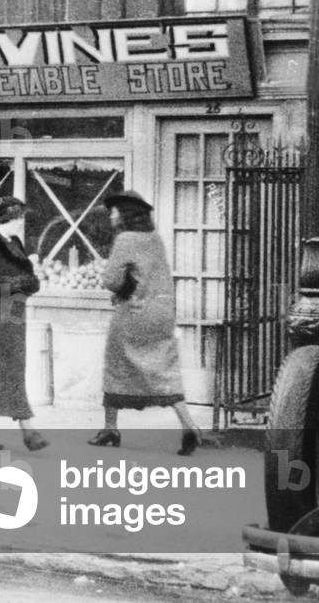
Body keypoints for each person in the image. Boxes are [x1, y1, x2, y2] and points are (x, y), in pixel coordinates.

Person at [90, 190, 202, 456]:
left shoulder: (125, 239)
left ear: (124, 214)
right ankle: (189, 425)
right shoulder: (155, 238)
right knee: (164, 370)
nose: (111, 216)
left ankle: (110, 428)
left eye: (114, 211)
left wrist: (121, 285)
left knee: (116, 364)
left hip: (133, 312)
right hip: (161, 313)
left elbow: (111, 280)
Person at [0, 196, 48, 452]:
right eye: (16, 218)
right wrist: (22, 283)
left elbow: (26, 277)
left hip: (11, 315)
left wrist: (30, 282)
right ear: (0, 220)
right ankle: (28, 431)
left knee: (10, 372)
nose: (20, 222)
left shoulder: (14, 243)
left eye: (20, 217)